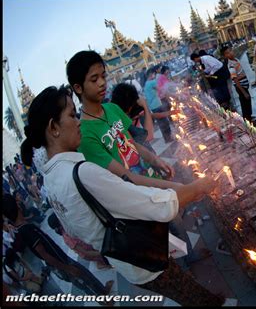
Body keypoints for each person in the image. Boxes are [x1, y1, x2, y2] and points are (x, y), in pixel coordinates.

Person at [19, 85, 226, 306]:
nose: (79, 121)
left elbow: (74, 228)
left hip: (122, 258)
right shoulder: (83, 173)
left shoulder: (51, 181)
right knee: (188, 293)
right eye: (71, 115)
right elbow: (149, 204)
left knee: (181, 291)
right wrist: (196, 188)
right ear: (53, 128)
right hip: (141, 252)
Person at [66, 50, 175, 186]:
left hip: (150, 176)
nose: (102, 83)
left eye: (103, 76)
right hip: (137, 194)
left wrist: (156, 161)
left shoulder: (113, 109)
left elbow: (133, 144)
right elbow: (125, 177)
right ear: (78, 87)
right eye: (94, 79)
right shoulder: (85, 135)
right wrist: (172, 187)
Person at [3, 194, 115, 304]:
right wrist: (67, 268)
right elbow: (44, 254)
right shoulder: (26, 230)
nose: (19, 202)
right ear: (16, 206)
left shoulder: (23, 226)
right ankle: (105, 301)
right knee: (84, 282)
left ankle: (103, 291)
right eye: (17, 201)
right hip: (61, 263)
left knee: (85, 274)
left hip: (61, 258)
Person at [221, 45, 256, 124]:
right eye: (227, 53)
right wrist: (243, 92)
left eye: (230, 51)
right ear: (225, 56)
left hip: (244, 84)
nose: (230, 53)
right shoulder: (230, 65)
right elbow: (235, 79)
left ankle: (249, 116)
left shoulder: (235, 60)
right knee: (244, 103)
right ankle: (248, 120)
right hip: (241, 86)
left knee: (247, 101)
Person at [143, 67, 174, 143]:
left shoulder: (146, 83)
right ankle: (169, 138)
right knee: (165, 122)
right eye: (154, 74)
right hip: (157, 105)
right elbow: (161, 89)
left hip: (152, 107)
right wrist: (173, 93)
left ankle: (167, 138)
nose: (155, 75)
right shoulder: (152, 82)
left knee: (161, 123)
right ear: (151, 74)